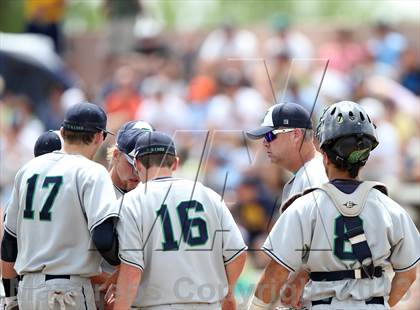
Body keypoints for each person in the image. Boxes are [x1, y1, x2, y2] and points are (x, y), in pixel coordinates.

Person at [248, 101, 419, 309]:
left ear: (325, 156)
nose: (265, 143)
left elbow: (276, 273)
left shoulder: (306, 202)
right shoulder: (391, 208)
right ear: (365, 157)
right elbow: (408, 274)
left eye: (270, 136)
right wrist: (381, 303)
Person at [1, 102, 121, 310]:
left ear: (63, 132)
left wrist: (11, 298)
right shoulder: (92, 172)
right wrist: (126, 265)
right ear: (99, 137)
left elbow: (9, 243)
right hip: (67, 292)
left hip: (28, 289)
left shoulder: (28, 170)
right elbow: (103, 238)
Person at [113, 131, 247, 309]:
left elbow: (131, 271)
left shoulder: (131, 202)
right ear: (175, 163)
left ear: (137, 164)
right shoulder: (208, 195)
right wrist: (228, 293)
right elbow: (238, 254)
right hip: (209, 304)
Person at [246, 102, 328, 307]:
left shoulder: (314, 175)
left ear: (296, 135)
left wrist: (301, 277)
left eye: (271, 135)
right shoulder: (304, 175)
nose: (265, 143)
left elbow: (326, 238)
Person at [108, 120, 153, 198]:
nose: (137, 172)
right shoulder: (95, 191)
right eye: (131, 163)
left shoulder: (151, 197)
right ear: (116, 155)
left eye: (145, 165)